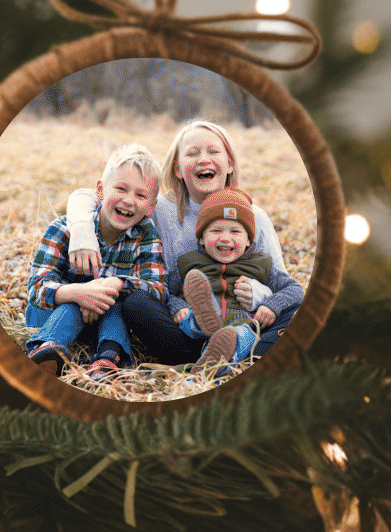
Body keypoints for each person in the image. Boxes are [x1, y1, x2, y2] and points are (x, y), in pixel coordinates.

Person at [65, 119, 304, 364]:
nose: (203, 159)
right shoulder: (159, 209)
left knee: (298, 310)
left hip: (244, 321)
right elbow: (87, 195)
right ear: (178, 168)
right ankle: (213, 356)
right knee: (136, 303)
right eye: (192, 153)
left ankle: (231, 354)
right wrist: (82, 229)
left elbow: (282, 284)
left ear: (229, 164)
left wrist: (259, 293)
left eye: (213, 151)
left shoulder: (254, 217)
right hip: (184, 325)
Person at [23, 143, 166, 376]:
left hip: (105, 319)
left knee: (118, 302)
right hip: (52, 314)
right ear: (100, 190)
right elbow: (38, 288)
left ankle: (109, 359)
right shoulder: (63, 229)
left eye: (140, 195)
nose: (129, 200)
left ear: (151, 207)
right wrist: (79, 294)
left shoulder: (145, 235)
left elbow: (159, 289)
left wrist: (114, 285)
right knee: (74, 303)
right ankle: (47, 350)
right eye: (121, 188)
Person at [174, 187, 302, 371]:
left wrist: (271, 306)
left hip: (241, 325)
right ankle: (204, 322)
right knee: (193, 319)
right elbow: (167, 293)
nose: (225, 238)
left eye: (235, 232)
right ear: (201, 238)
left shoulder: (261, 264)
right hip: (194, 335)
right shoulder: (188, 263)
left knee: (239, 335)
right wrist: (178, 307)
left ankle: (211, 366)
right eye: (216, 230)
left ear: (249, 240)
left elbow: (295, 289)